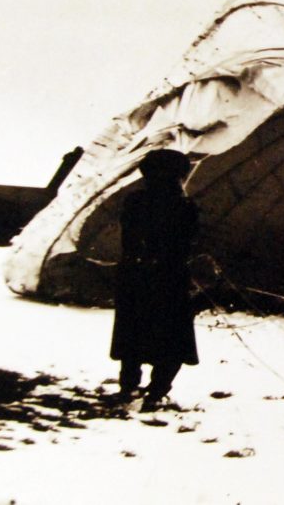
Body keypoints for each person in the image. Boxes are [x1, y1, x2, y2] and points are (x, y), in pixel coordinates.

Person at [110, 148, 200, 409]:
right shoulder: (184, 207)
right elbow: (188, 242)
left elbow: (129, 239)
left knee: (132, 334)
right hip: (170, 280)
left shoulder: (134, 201)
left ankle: (128, 388)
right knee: (172, 339)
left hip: (135, 277)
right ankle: (157, 391)